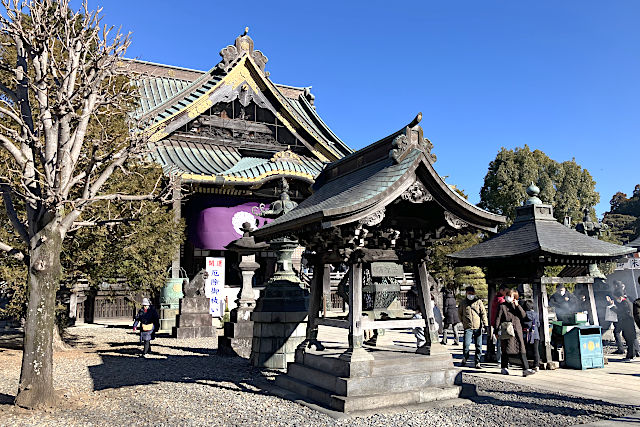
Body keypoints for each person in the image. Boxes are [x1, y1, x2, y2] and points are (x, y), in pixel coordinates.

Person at [496, 289, 536, 377]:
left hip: (517, 329)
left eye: (510, 296)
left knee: (521, 348)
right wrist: (496, 330)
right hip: (507, 329)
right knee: (505, 348)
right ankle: (504, 367)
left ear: (515, 297)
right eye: (507, 295)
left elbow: (524, 316)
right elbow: (498, 318)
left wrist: (517, 305)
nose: (508, 297)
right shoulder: (502, 306)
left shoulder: (518, 305)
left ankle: (525, 368)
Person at [458, 286, 488, 368]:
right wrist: (464, 322)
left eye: (472, 293)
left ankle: (477, 361)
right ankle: (465, 357)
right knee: (466, 344)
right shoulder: (463, 303)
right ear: (466, 293)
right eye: (469, 293)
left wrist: (486, 325)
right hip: (468, 327)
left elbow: (483, 314)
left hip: (478, 326)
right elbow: (460, 314)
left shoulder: (478, 302)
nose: (470, 295)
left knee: (479, 345)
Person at [609, 291, 639, 360]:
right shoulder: (627, 302)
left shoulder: (625, 303)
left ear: (619, 297)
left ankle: (631, 355)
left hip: (628, 323)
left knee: (630, 340)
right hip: (628, 323)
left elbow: (622, 312)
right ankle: (632, 354)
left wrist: (613, 308)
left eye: (616, 298)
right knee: (629, 339)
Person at [490, 285, 507, 363]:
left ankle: (499, 358)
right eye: (506, 291)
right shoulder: (501, 300)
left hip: (495, 322)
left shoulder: (495, 298)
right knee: (501, 342)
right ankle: (500, 359)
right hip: (500, 323)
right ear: (501, 290)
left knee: (499, 342)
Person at [521, 300, 540, 371]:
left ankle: (526, 365)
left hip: (526, 335)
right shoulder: (536, 314)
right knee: (536, 350)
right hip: (535, 334)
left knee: (524, 350)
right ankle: (536, 365)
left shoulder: (523, 314)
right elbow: (538, 324)